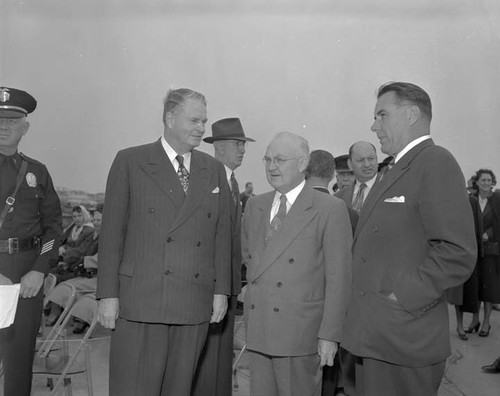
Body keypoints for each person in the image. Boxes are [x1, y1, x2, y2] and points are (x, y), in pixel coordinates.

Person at [341, 82, 477, 396]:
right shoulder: (396, 169)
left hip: (401, 337)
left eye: (382, 115)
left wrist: (400, 297)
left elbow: (457, 251)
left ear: (412, 115)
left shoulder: (435, 162)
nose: (374, 125)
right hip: (373, 335)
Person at [96, 88, 232, 396]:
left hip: (193, 303)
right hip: (141, 301)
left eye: (204, 121)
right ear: (170, 118)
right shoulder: (131, 160)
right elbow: (112, 234)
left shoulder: (212, 170)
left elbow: (221, 236)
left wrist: (221, 291)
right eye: (194, 120)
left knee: (179, 389)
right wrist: (107, 295)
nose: (201, 128)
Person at [242, 131, 352, 396]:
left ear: (303, 164)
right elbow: (249, 258)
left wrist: (329, 335)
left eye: (279, 159)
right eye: (267, 160)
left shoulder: (329, 209)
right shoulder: (255, 206)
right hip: (259, 328)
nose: (271, 166)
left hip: (300, 334)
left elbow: (339, 279)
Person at [0, 86, 62, 396]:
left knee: (19, 359)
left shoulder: (37, 172)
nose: (3, 126)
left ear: (25, 127)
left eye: (12, 120)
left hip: (27, 275)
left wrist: (39, 268)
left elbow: (53, 228)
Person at [192, 117, 255, 396]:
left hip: (228, 286)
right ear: (218, 147)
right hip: (210, 287)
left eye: (243, 145)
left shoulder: (231, 180)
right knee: (207, 359)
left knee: (220, 359)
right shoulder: (207, 179)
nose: (242, 150)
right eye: (237, 144)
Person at [464, 169, 500, 337]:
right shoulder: (472, 200)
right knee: (475, 286)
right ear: (476, 182)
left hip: (491, 251)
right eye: (483, 180)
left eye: (489, 180)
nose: (486, 183)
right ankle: (475, 320)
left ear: (492, 183)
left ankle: (486, 322)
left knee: (489, 287)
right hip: (474, 248)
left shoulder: (497, 200)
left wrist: (490, 233)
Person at [446, 195, 482, 341]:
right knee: (457, 293)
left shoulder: (472, 201)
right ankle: (459, 326)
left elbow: (479, 225)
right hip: (455, 251)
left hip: (471, 250)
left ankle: (475, 320)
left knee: (473, 290)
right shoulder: (448, 200)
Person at [335, 141, 380, 214]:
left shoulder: (391, 188)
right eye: (360, 160)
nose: (367, 164)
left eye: (371, 159)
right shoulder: (338, 197)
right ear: (350, 164)